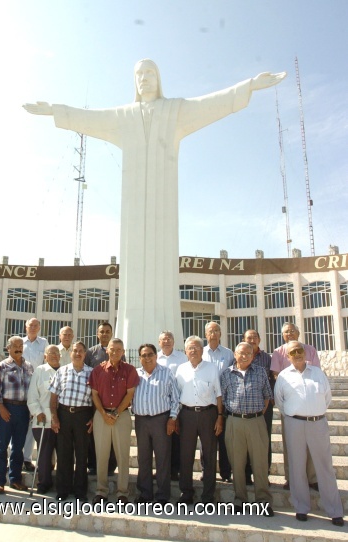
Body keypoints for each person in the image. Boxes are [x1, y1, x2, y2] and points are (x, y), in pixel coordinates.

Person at [24, 60, 286, 350]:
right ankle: (131, 346)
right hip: (133, 212)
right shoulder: (123, 116)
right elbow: (88, 117)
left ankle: (164, 346)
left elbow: (212, 103)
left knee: (163, 274)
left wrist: (247, 86)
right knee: (133, 276)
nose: (144, 78)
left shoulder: (175, 111)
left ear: (159, 78)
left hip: (164, 212)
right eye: (138, 74)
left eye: (150, 73)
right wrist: (55, 111)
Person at [274, 341, 344, 526]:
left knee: (325, 467)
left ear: (305, 353)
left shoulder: (318, 373)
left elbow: (327, 398)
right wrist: (294, 413)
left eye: (300, 351)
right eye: (293, 352)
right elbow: (279, 401)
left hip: (317, 423)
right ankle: (301, 508)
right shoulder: (283, 376)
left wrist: (313, 411)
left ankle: (334, 511)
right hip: (294, 423)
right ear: (288, 356)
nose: (297, 354)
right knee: (297, 468)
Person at [221, 342, 274, 517]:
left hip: (256, 421)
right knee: (237, 462)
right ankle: (240, 499)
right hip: (235, 422)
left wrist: (256, 414)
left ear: (253, 356)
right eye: (241, 353)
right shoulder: (226, 374)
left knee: (259, 463)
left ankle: (263, 501)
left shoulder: (260, 372)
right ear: (235, 355)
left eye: (248, 354)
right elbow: (223, 398)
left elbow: (267, 397)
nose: (244, 356)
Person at [89, 338, 139, 504]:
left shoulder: (130, 370)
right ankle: (101, 491)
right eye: (112, 349)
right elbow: (94, 394)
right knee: (101, 455)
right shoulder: (97, 370)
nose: (116, 352)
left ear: (123, 352)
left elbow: (130, 394)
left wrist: (116, 413)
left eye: (119, 349)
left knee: (122, 455)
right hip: (101, 415)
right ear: (107, 350)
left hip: (122, 415)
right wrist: (103, 414)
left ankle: (122, 492)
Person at [271, 322, 320, 491]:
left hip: (310, 403)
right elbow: (276, 375)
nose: (289, 334)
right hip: (290, 404)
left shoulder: (310, 350)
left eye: (292, 331)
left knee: (311, 444)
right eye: (286, 332)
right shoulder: (278, 352)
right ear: (282, 335)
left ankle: (312, 478)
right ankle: (291, 478)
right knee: (290, 444)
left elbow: (317, 373)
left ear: (298, 333)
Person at [175, 336, 223, 505]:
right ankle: (186, 493)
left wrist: (219, 417)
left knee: (209, 456)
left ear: (202, 350)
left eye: (197, 347)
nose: (193, 350)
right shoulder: (180, 369)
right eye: (190, 348)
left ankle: (208, 496)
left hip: (208, 415)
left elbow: (218, 395)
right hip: (186, 415)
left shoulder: (211, 368)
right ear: (185, 351)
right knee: (185, 456)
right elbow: (177, 395)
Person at [132, 343, 180, 504]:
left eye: (150, 354)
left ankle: (162, 495)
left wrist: (172, 419)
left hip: (161, 420)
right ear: (139, 358)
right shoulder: (135, 375)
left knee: (162, 458)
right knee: (143, 458)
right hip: (141, 421)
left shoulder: (166, 373)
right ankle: (145, 494)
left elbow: (175, 399)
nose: (147, 358)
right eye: (144, 355)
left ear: (156, 355)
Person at [49, 342, 93, 502]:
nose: (78, 353)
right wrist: (54, 417)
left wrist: (93, 418)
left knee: (82, 455)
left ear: (85, 354)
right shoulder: (62, 371)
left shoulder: (92, 373)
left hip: (83, 416)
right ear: (70, 353)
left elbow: (96, 399)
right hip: (64, 415)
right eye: (75, 351)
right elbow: (53, 398)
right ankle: (63, 489)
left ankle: (80, 491)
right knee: (63, 454)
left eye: (81, 351)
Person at [0, 336, 33, 494]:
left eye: (21, 345)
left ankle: (15, 479)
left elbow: (33, 389)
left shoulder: (29, 366)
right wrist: (0, 407)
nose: (18, 348)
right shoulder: (2, 366)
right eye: (15, 345)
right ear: (8, 348)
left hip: (23, 410)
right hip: (6, 409)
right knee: (2, 447)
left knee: (18, 448)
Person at [84, 321, 118, 476]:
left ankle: (110, 466)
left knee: (112, 435)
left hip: (113, 401)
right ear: (97, 334)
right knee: (93, 434)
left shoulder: (117, 351)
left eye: (107, 331)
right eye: (102, 331)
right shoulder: (90, 353)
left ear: (111, 333)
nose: (104, 334)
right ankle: (92, 464)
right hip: (94, 400)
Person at [202, 321, 233, 483]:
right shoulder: (201, 353)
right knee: (207, 439)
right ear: (205, 334)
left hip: (224, 402)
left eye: (216, 330)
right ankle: (206, 471)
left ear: (220, 334)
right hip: (206, 402)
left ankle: (226, 473)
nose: (213, 334)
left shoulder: (228, 354)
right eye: (210, 331)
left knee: (224, 440)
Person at [27, 344, 60, 494]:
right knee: (45, 454)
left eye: (56, 353)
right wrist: (37, 412)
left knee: (63, 453)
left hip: (62, 419)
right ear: (45, 356)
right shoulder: (40, 371)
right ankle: (44, 483)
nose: (54, 356)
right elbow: (32, 396)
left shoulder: (65, 371)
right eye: (50, 353)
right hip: (43, 419)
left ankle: (63, 483)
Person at [243, 329, 274, 482]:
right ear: (244, 339)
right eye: (249, 337)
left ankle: (263, 474)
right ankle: (246, 473)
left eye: (255, 337)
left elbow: (271, 380)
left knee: (263, 441)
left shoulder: (267, 358)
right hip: (244, 408)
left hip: (264, 408)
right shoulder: (238, 356)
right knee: (246, 442)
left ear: (259, 340)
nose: (252, 340)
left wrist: (268, 402)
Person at [157, 330, 187, 481]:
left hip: (179, 404)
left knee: (176, 439)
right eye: (164, 340)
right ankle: (162, 469)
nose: (167, 342)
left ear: (174, 342)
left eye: (169, 339)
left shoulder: (182, 358)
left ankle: (175, 470)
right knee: (161, 440)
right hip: (161, 404)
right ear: (159, 342)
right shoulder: (155, 358)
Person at [23, 317, 48, 472]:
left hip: (37, 389)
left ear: (39, 328)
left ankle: (27, 458)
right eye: (30, 325)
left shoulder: (44, 343)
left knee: (33, 426)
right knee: (20, 425)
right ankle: (14, 457)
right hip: (21, 388)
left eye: (35, 325)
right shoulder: (20, 342)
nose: (33, 327)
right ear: (26, 327)